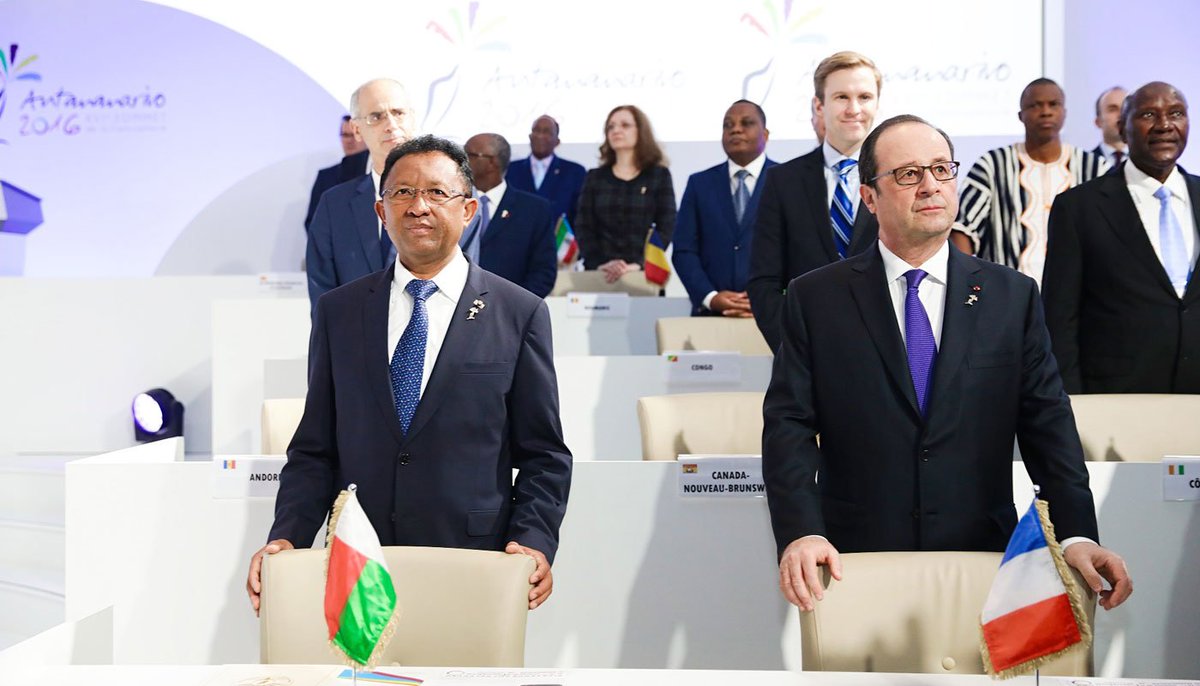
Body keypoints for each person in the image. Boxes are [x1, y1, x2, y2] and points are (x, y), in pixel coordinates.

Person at [763, 114, 1132, 614]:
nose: (931, 185)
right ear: (869, 197)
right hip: (853, 560)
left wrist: (1077, 535)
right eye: (909, 174)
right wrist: (801, 531)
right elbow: (788, 425)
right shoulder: (815, 298)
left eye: (941, 168)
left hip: (983, 558)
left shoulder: (1012, 296)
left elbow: (1049, 426)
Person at [247, 135, 573, 614]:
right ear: (382, 213)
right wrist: (286, 538)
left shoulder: (518, 312)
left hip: (473, 563)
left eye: (437, 193)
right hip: (360, 562)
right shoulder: (339, 312)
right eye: (402, 193)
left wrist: (533, 540)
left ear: (469, 211)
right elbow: (315, 449)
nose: (418, 206)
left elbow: (545, 455)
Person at [1044, 81, 1200, 394]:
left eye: (1176, 114)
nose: (1164, 125)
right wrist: (1073, 406)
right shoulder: (1078, 208)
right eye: (1148, 115)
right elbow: (1060, 320)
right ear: (1122, 129)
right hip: (1117, 402)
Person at [748, 51, 882, 352]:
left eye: (864, 97)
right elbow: (763, 281)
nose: (854, 109)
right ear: (818, 106)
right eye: (841, 97)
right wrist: (792, 347)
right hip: (807, 355)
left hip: (888, 354)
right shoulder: (782, 181)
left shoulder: (897, 178)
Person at [957, 78, 1109, 286]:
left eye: (1053, 104)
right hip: (1006, 295)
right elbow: (963, 229)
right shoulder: (992, 165)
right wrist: (967, 284)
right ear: (1021, 115)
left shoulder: (1094, 168)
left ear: (1064, 112)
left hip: (1080, 298)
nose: (1045, 111)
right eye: (1035, 105)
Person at [306, 78, 416, 312]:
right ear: (356, 129)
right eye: (376, 117)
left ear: (412, 117)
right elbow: (322, 294)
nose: (391, 125)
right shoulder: (333, 205)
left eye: (398, 112)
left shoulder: (451, 197)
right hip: (357, 342)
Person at [672, 100, 777, 316]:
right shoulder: (699, 184)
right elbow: (684, 250)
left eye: (746, 123)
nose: (735, 129)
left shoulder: (787, 179)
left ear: (765, 135)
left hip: (773, 314)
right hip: (711, 314)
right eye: (727, 125)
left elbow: (800, 250)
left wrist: (774, 298)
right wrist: (710, 297)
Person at [574, 105, 676, 282]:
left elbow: (666, 226)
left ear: (641, 131)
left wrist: (638, 264)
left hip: (643, 275)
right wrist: (600, 263)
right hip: (600, 274)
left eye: (625, 125)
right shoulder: (595, 178)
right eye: (611, 126)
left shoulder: (659, 176)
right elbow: (584, 227)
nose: (616, 130)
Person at [462, 133, 557, 298]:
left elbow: (543, 272)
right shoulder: (451, 204)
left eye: (468, 155)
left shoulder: (534, 209)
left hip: (509, 313)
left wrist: (515, 309)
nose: (460, 161)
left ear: (492, 162)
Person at [506, 115, 587, 227]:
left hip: (557, 241)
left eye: (547, 132)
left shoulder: (575, 172)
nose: (540, 136)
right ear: (530, 136)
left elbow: (580, 214)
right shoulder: (510, 169)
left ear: (557, 141)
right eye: (536, 130)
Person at [304, 115, 369, 232]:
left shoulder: (379, 172)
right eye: (345, 135)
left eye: (353, 135)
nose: (349, 140)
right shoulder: (326, 176)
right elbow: (313, 222)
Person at [1091, 86, 1128, 168]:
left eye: (1125, 108)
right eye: (1112, 109)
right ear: (1098, 122)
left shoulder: (1148, 161)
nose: (1121, 115)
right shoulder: (1085, 163)